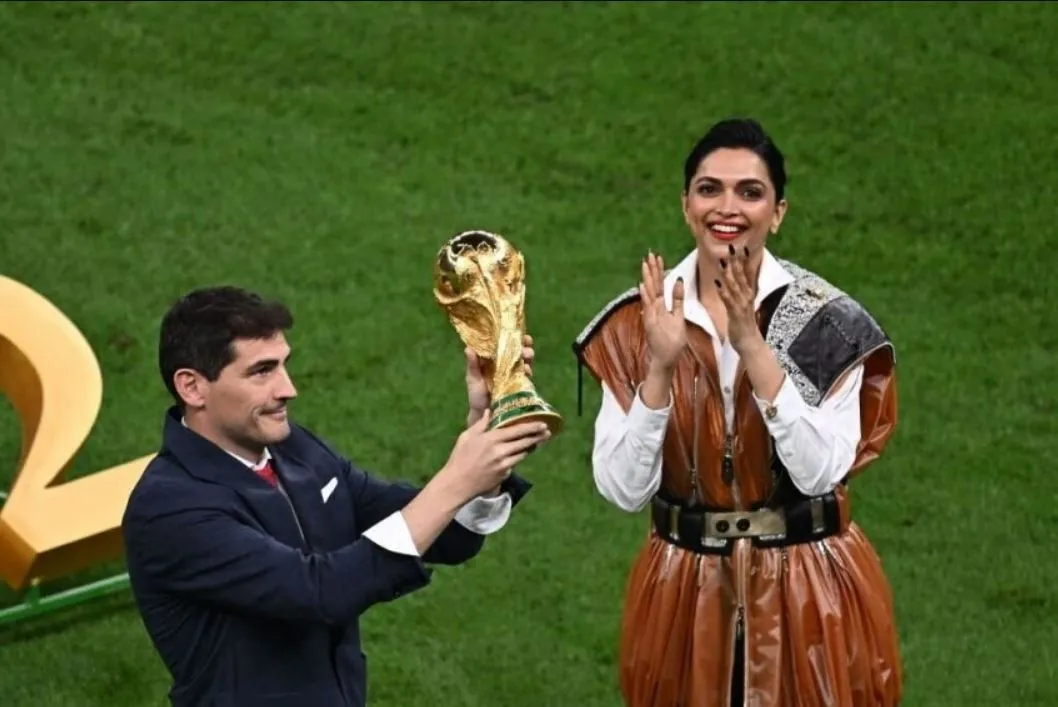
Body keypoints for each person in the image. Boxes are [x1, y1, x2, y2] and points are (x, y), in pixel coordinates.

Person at [571, 118, 901, 706]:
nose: (727, 207)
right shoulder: (636, 324)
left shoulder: (828, 323)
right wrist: (659, 369)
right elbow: (622, 490)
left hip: (811, 590)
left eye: (750, 192)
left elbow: (821, 472)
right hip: (683, 592)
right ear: (685, 204)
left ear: (778, 212)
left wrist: (754, 347)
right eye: (709, 188)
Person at [122, 286, 551, 707]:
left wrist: (488, 427)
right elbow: (320, 593)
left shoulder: (296, 451)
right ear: (192, 388)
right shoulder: (169, 510)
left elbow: (445, 536)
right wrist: (456, 479)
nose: (287, 389)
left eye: (284, 366)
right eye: (261, 371)